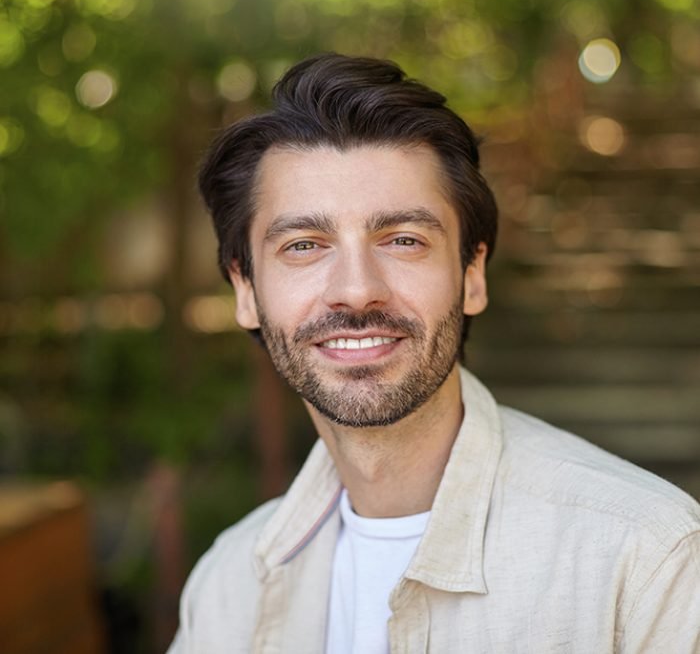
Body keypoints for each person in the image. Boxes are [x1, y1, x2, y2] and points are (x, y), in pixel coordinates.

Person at [168, 54, 700, 653]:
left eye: (403, 239)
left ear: (472, 274)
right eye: (303, 245)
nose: (356, 288)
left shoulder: (646, 562)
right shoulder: (227, 586)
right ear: (245, 290)